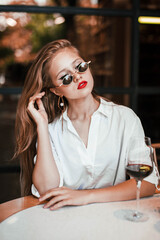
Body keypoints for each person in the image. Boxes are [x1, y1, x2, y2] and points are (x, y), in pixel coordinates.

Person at [15, 39, 158, 211]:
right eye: (65, 77)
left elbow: (148, 183)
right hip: (67, 223)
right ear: (56, 90)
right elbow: (47, 190)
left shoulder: (125, 118)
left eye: (80, 67)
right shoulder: (51, 129)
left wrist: (85, 197)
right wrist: (42, 125)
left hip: (115, 219)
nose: (77, 76)